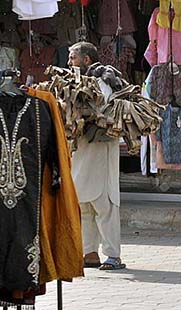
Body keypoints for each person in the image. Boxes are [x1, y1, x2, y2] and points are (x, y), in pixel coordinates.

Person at [68, 42, 126, 270]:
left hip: (100, 149)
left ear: (86, 60)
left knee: (105, 204)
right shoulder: (74, 82)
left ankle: (113, 255)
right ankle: (89, 253)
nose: (69, 62)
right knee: (83, 204)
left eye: (73, 58)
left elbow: (100, 111)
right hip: (81, 149)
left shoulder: (103, 81)